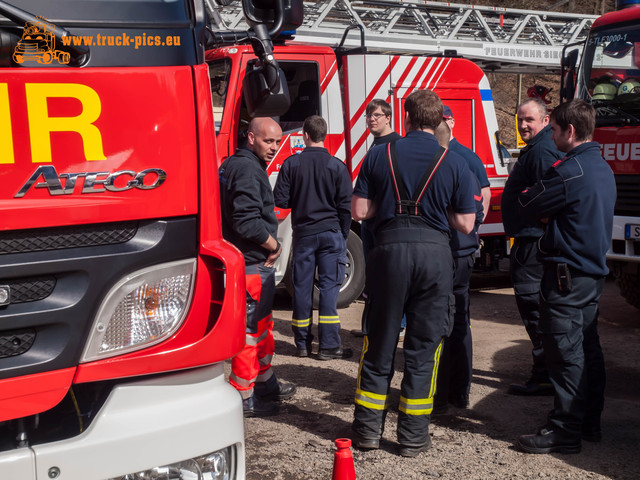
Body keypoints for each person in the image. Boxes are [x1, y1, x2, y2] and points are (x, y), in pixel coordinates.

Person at [350, 90, 476, 457]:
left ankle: (367, 432)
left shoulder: (380, 154)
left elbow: (359, 210)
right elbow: (467, 223)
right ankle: (413, 436)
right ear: (438, 121)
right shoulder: (453, 162)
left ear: (405, 117)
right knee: (425, 348)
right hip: (435, 258)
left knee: (380, 341)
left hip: (388, 254)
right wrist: (438, 213)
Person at [517, 100, 615, 454]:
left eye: (554, 129)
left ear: (569, 131)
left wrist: (548, 216)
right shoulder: (602, 167)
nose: (551, 135)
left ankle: (565, 430)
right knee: (587, 348)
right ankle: (588, 422)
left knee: (564, 353)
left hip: (566, 278)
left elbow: (526, 203)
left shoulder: (568, 171)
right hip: (589, 275)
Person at [219, 117, 296, 417]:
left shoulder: (234, 164)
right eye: (268, 141)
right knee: (250, 333)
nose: (274, 148)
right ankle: (244, 396)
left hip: (249, 263)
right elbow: (246, 221)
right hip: (252, 263)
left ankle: (265, 382)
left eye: (277, 142)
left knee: (262, 327)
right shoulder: (249, 170)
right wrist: (274, 246)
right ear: (251, 138)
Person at [273, 115, 354, 360]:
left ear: (305, 136)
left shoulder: (291, 164)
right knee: (329, 289)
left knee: (302, 288)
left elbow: (281, 200)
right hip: (331, 234)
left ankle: (302, 344)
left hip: (304, 235)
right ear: (324, 136)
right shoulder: (337, 166)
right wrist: (342, 233)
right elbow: (345, 207)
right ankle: (329, 345)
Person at [501, 97, 563, 396]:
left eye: (530, 120)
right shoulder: (536, 149)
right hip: (529, 239)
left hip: (533, 242)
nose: (524, 125)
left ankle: (544, 376)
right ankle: (545, 373)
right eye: (521, 119)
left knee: (534, 307)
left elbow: (548, 200)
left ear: (545, 120)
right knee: (533, 308)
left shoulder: (541, 152)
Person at [433, 119, 485, 413]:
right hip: (463, 252)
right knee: (461, 322)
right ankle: (461, 392)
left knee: (438, 322)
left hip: (442, 252)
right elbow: (478, 206)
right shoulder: (466, 162)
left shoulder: (438, 165)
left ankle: (439, 395)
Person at [352, 99, 403, 339]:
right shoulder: (376, 145)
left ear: (388, 117)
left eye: (377, 115)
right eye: (369, 115)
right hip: (371, 226)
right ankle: (373, 325)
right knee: (374, 278)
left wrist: (373, 211)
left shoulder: (397, 145)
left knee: (391, 277)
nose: (371, 119)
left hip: (386, 225)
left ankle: (398, 325)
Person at [442, 105, 491, 219]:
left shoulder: (468, 156)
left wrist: (475, 227)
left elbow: (485, 193)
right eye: (437, 121)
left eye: (444, 120)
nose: (441, 124)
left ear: (452, 122)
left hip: (460, 231)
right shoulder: (431, 152)